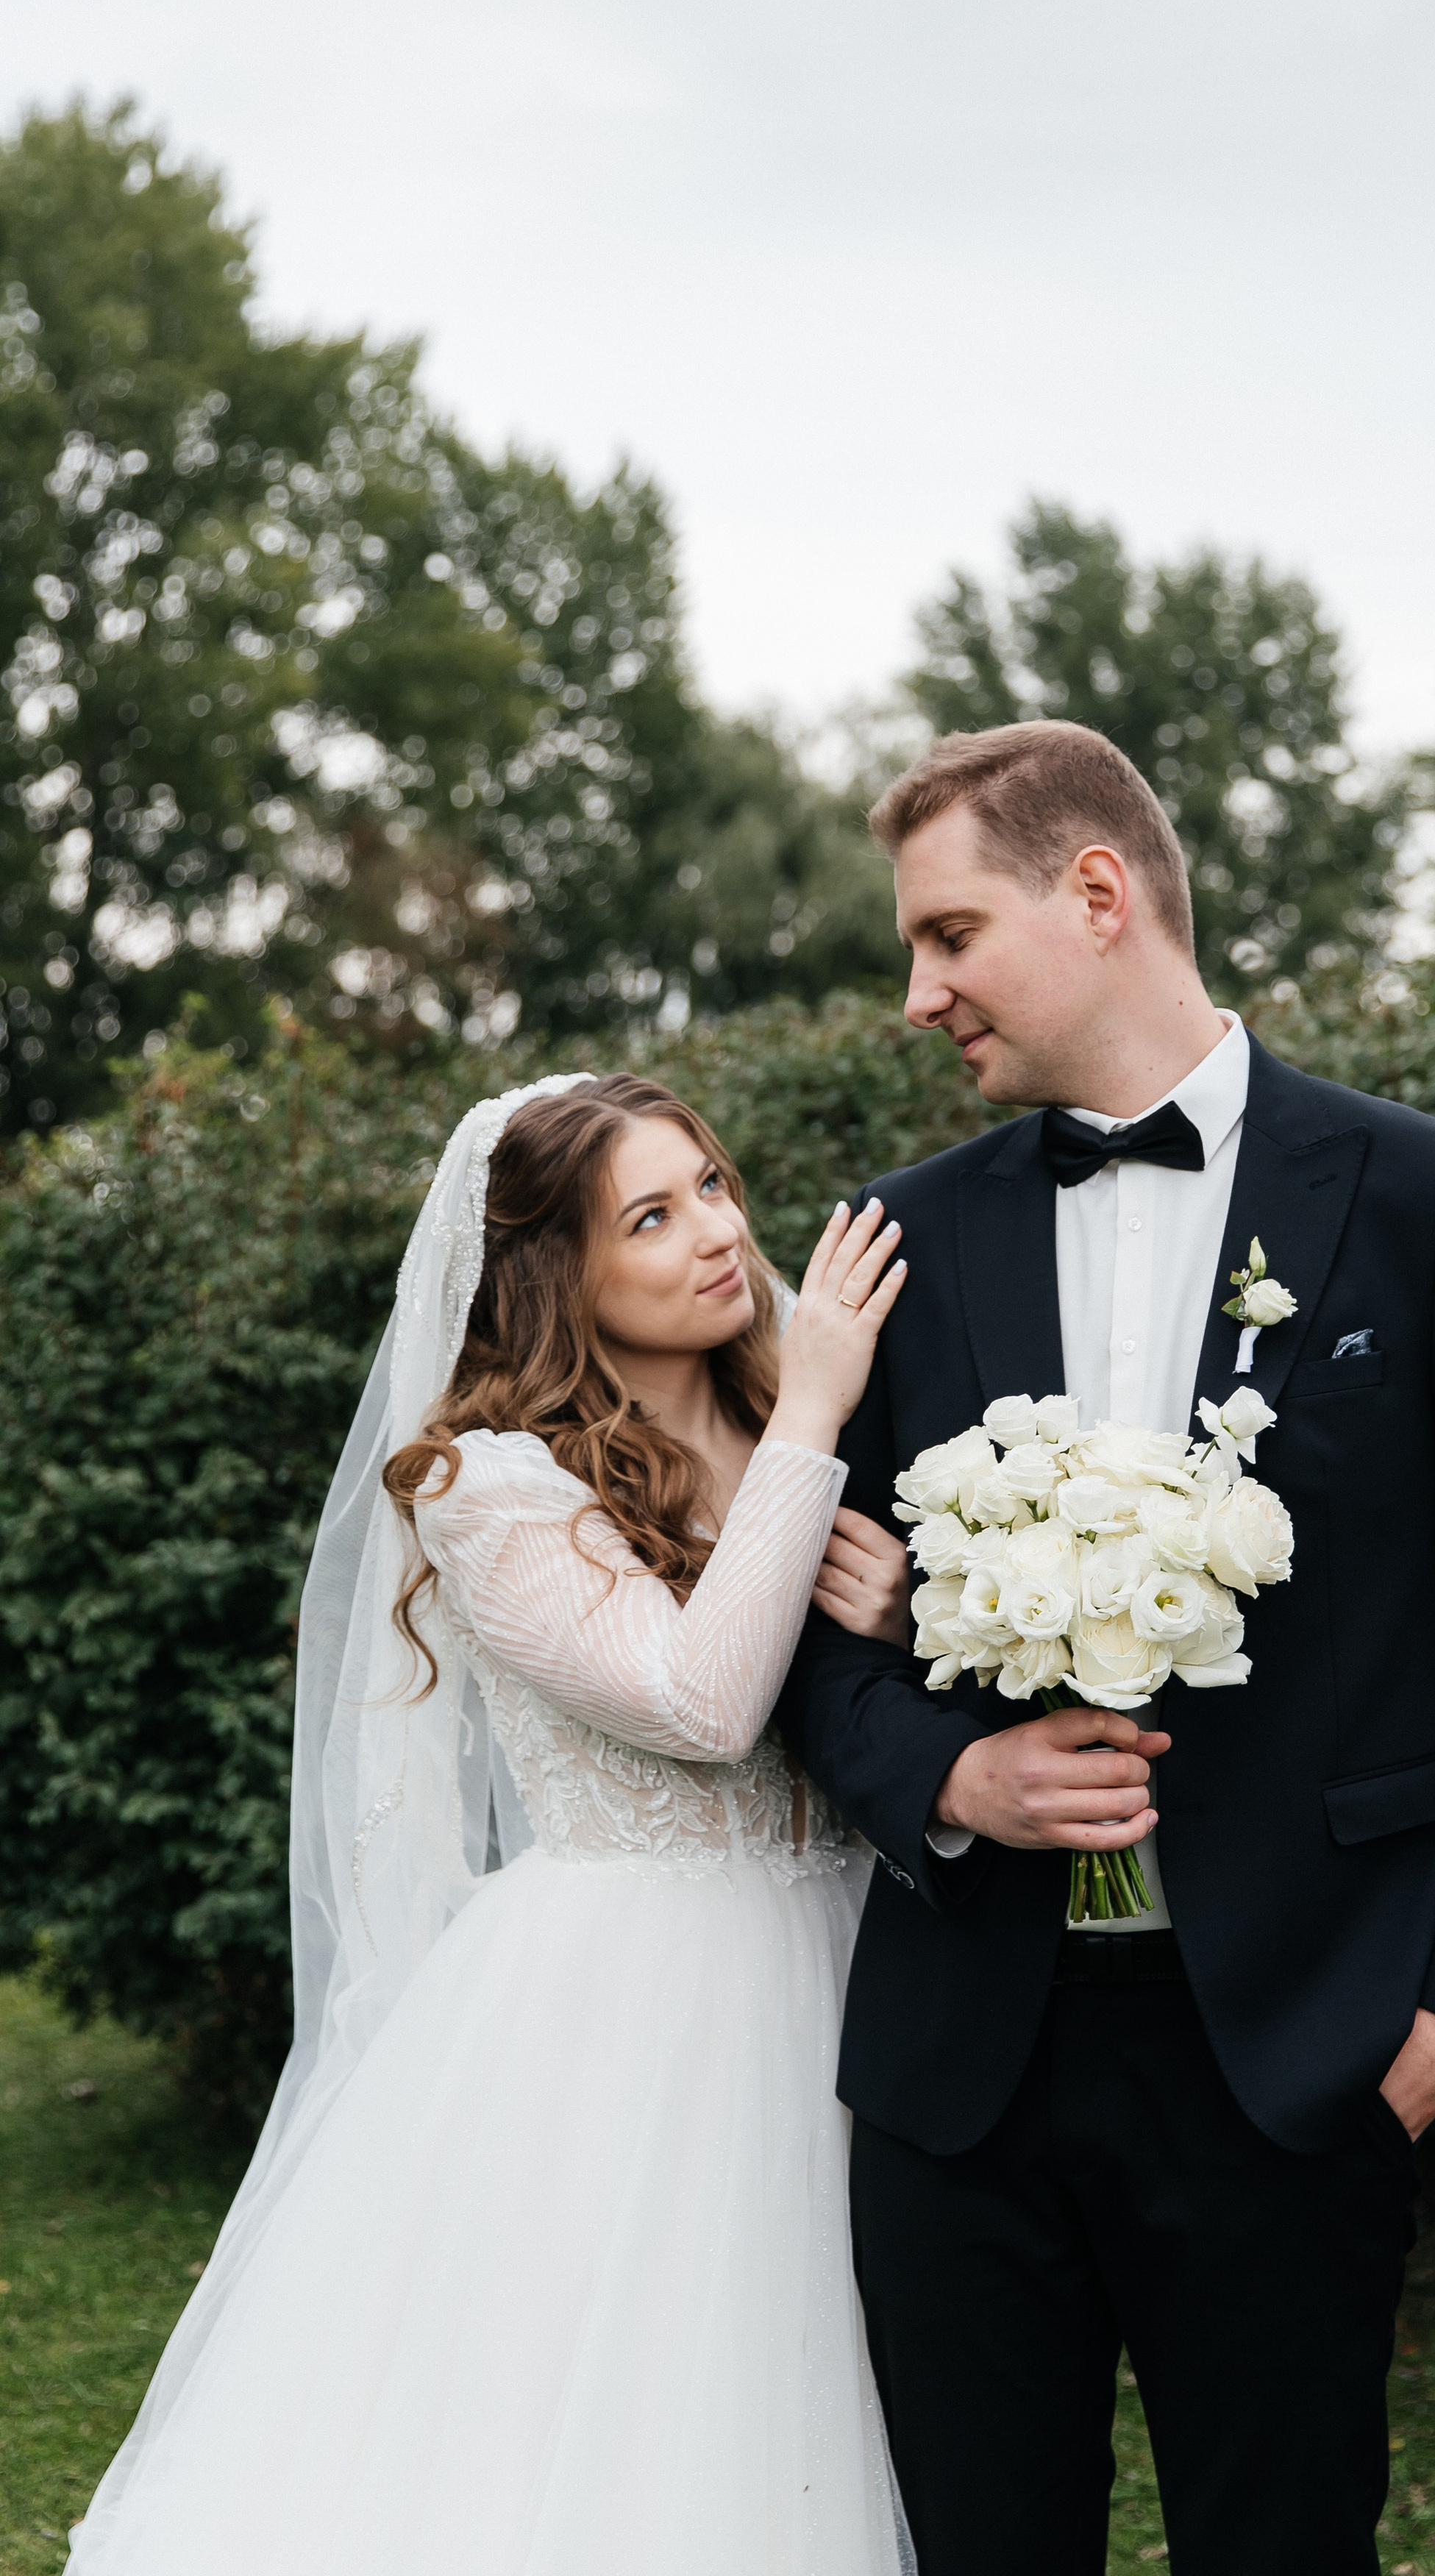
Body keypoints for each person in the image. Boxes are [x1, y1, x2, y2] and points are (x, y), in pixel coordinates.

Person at [776, 721, 1435, 2576]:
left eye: (945, 936)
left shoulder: (1422, 1200)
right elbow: (802, 1634)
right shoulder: (892, 1249)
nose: (914, 993)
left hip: (1301, 2056)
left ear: (1095, 893)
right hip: (961, 2076)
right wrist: (942, 1772)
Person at [69, 1071, 917, 2575]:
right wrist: (816, 1409)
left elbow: (849, 1717)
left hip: (855, 1965)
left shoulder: (774, 1424)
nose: (717, 1233)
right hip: (641, 2010)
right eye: (649, 1218)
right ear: (551, 1274)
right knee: (638, 2420)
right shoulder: (487, 1483)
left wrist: (891, 1608)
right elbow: (703, 1702)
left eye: (711, 1186)